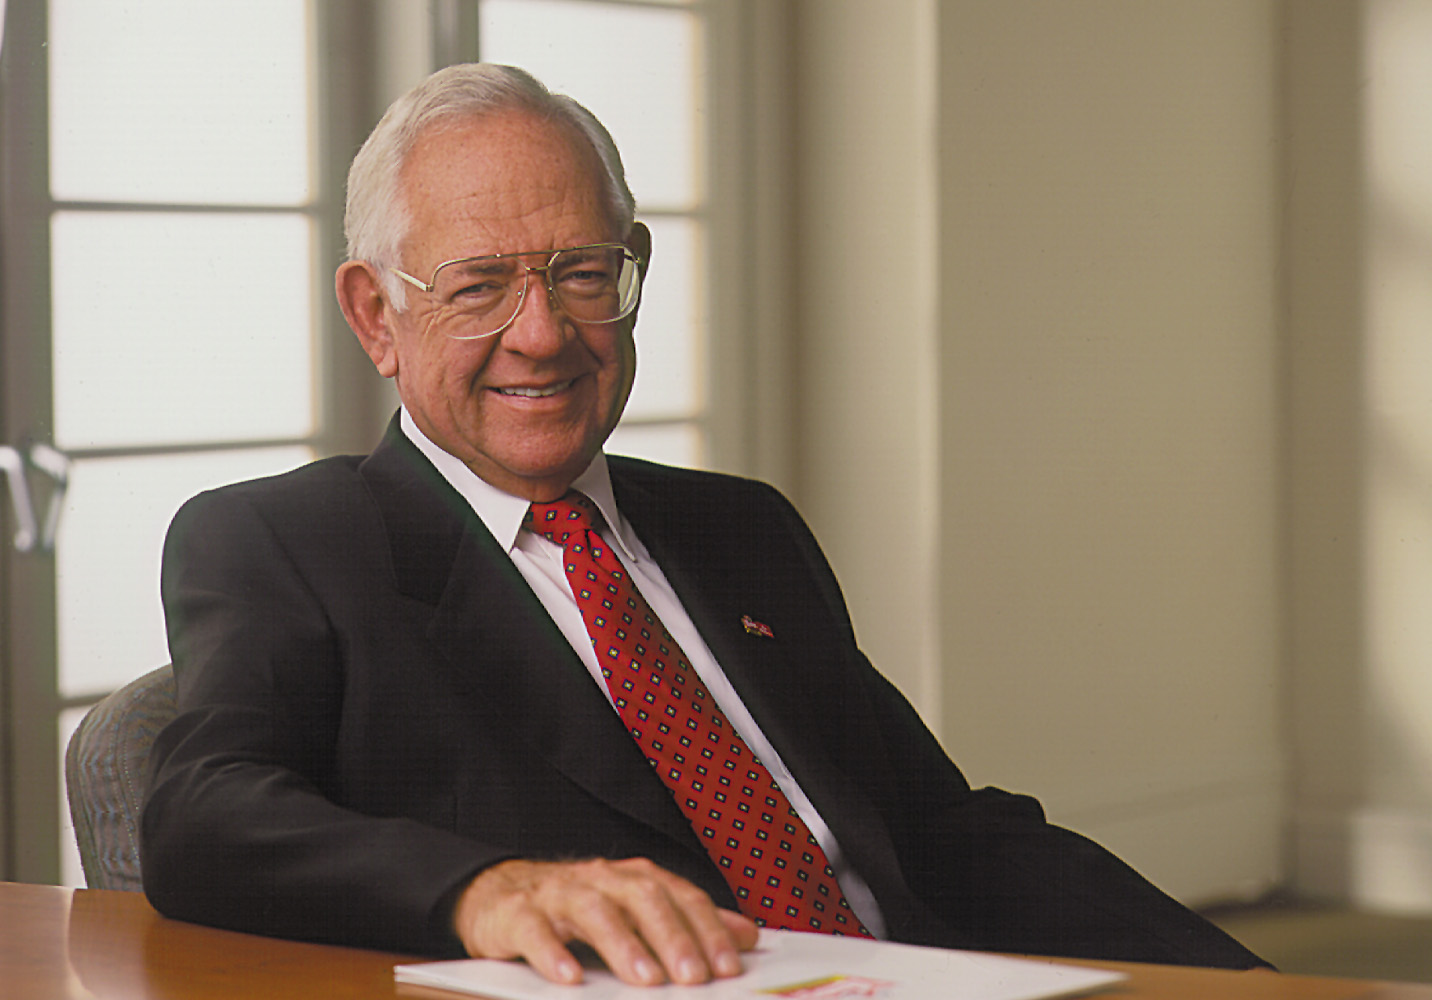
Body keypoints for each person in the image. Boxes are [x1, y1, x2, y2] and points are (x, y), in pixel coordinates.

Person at [140, 63, 1266, 986]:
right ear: (375, 313)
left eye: (582, 274)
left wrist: (1249, 981)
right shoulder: (287, 543)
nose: (541, 333)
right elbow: (202, 812)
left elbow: (950, 832)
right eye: (478, 285)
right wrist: (485, 889)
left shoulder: (742, 527)